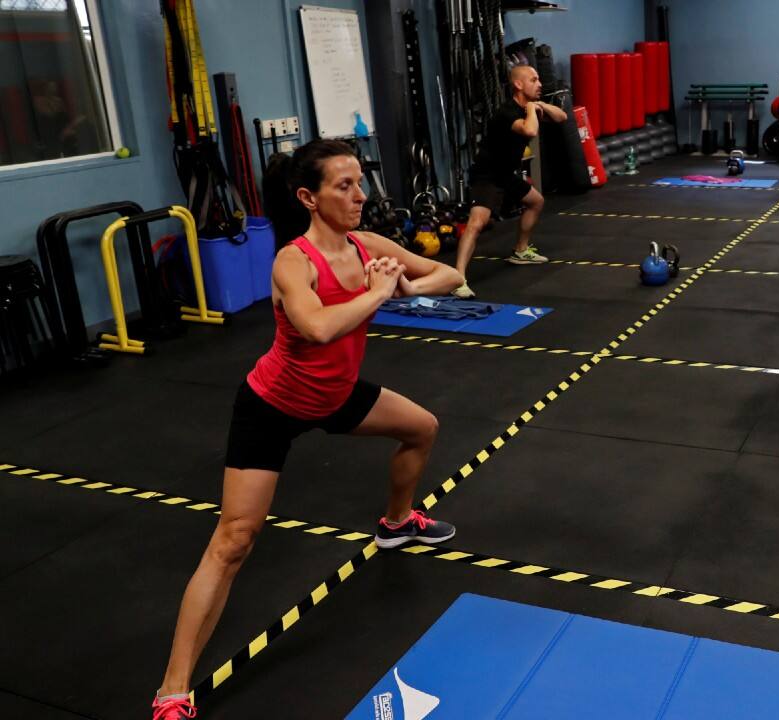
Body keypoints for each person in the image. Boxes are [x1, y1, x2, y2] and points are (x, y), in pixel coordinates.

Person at [151, 139, 464, 720]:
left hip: (336, 396)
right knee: (234, 540)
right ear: (308, 198)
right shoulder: (292, 262)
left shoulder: (368, 246)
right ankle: (172, 691)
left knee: (422, 428)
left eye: (359, 182)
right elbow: (318, 328)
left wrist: (406, 287)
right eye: (344, 186)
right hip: (272, 406)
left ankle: (396, 522)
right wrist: (376, 292)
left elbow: (450, 272)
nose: (359, 195)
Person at [451, 65, 567, 298]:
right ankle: (456, 279)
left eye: (539, 79)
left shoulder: (530, 108)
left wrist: (540, 105)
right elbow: (530, 131)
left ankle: (521, 251)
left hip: (505, 174)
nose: (539, 84)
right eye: (533, 80)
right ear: (518, 84)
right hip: (487, 174)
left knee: (536, 202)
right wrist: (532, 109)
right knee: (477, 223)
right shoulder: (506, 112)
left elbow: (562, 117)